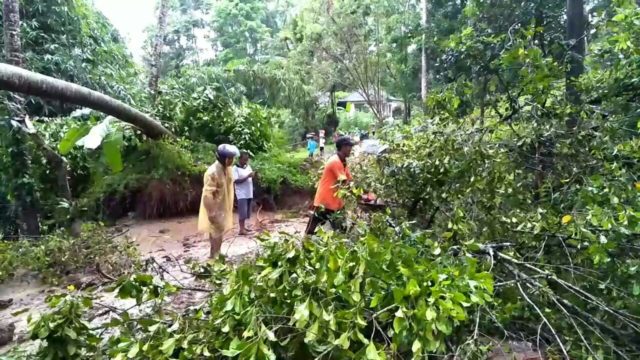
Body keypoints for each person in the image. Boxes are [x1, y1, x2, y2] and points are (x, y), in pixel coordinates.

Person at [305, 136, 355, 235]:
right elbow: (344, 182)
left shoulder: (343, 162)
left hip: (335, 201)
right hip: (325, 202)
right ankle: (305, 245)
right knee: (312, 228)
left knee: (340, 228)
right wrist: (359, 196)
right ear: (343, 147)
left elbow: (350, 180)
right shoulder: (335, 161)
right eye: (349, 147)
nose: (351, 149)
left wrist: (364, 193)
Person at [198, 144, 239, 258]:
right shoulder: (212, 172)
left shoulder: (228, 169)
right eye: (229, 158)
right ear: (222, 158)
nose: (231, 161)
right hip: (214, 206)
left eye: (232, 158)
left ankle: (217, 252)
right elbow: (207, 194)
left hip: (223, 206)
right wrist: (211, 211)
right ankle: (213, 254)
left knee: (219, 231)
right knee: (215, 231)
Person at [233, 151, 254, 235]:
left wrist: (254, 176)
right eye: (244, 159)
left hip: (249, 192)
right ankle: (241, 230)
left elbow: (251, 177)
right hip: (241, 193)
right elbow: (236, 181)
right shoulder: (235, 168)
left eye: (247, 160)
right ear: (240, 159)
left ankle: (244, 227)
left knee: (246, 212)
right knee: (242, 211)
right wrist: (247, 176)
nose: (246, 161)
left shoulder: (248, 167)